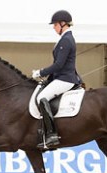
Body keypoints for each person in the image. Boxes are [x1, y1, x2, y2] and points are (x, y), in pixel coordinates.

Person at [31, 10, 81, 149]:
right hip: (60, 77)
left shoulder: (66, 39)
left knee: (42, 97)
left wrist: (40, 72)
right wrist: (48, 79)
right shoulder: (65, 39)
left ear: (62, 23)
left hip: (65, 79)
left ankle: (52, 135)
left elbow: (59, 65)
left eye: (55, 25)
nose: (54, 27)